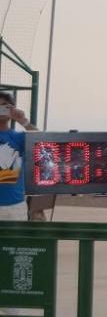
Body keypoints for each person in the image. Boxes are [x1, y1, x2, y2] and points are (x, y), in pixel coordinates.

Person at [0, 92, 38, 222]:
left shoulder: (19, 137)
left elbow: (42, 142)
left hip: (14, 207)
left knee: (15, 243)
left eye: (5, 106)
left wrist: (24, 121)